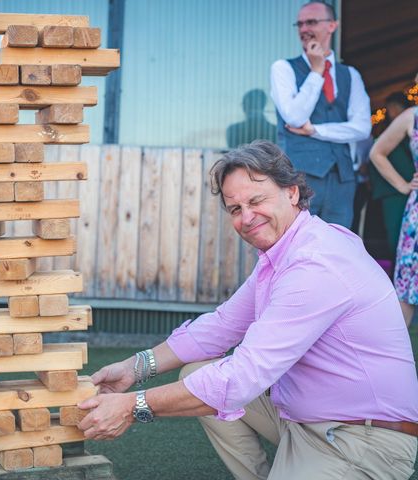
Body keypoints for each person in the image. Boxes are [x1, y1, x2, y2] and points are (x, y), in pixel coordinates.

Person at [77, 140, 418, 479]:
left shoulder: (315, 263)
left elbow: (241, 378)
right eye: (235, 209)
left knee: (222, 382)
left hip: (364, 440)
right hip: (305, 420)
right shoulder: (286, 250)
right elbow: (222, 325)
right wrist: (134, 368)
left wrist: (132, 405)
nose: (247, 217)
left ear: (293, 193)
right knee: (196, 373)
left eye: (256, 200)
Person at [270, 1, 371, 228]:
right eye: (300, 23)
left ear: (332, 25)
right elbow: (295, 117)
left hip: (343, 180)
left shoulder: (350, 75)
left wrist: (315, 130)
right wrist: (317, 71)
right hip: (299, 177)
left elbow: (362, 127)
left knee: (338, 246)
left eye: (312, 22)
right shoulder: (282, 68)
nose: (304, 28)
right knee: (294, 244)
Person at [369, 90, 418, 328]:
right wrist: (403, 185)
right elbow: (376, 152)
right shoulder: (412, 116)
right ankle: (392, 360)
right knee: (408, 285)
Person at [369, 92, 415, 263]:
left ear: (394, 108)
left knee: (398, 240)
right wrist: (403, 185)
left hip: (396, 192)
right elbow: (376, 153)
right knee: (401, 244)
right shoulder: (408, 120)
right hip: (397, 192)